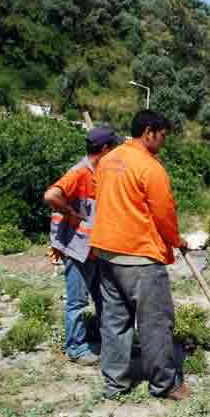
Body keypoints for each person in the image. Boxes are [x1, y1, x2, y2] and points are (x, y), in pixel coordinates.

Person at [90, 110, 189, 401]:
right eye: (162, 136)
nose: (163, 142)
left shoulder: (107, 161)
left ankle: (115, 384)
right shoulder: (150, 167)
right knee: (155, 323)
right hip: (140, 257)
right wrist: (177, 241)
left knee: (114, 321)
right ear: (149, 132)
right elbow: (164, 214)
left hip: (107, 253)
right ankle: (165, 385)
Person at [44, 126, 122, 365]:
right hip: (77, 250)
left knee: (105, 299)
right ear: (106, 149)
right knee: (77, 301)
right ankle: (75, 348)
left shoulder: (101, 173)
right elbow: (50, 196)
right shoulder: (79, 173)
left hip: (96, 250)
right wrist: (70, 213)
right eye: (115, 147)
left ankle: (108, 341)